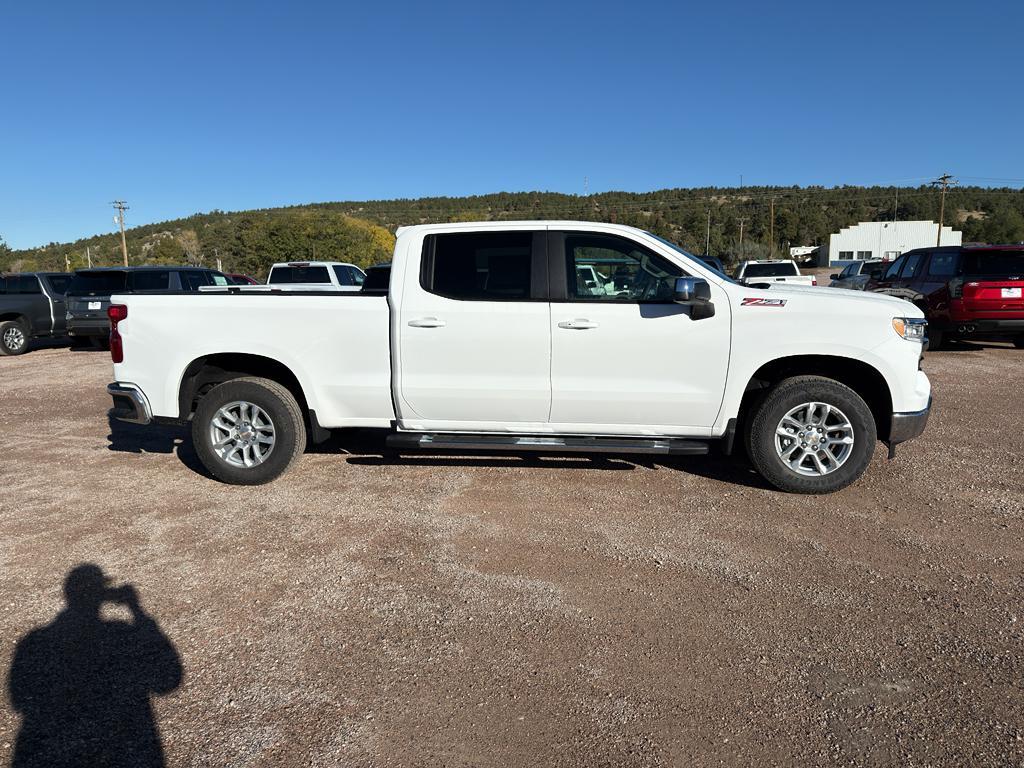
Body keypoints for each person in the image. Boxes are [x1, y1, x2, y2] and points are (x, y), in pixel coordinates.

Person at [7, 564, 182, 768]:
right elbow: (168, 681)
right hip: (125, 743)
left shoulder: (34, 641)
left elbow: (17, 698)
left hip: (51, 748)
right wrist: (136, 609)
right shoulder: (120, 631)